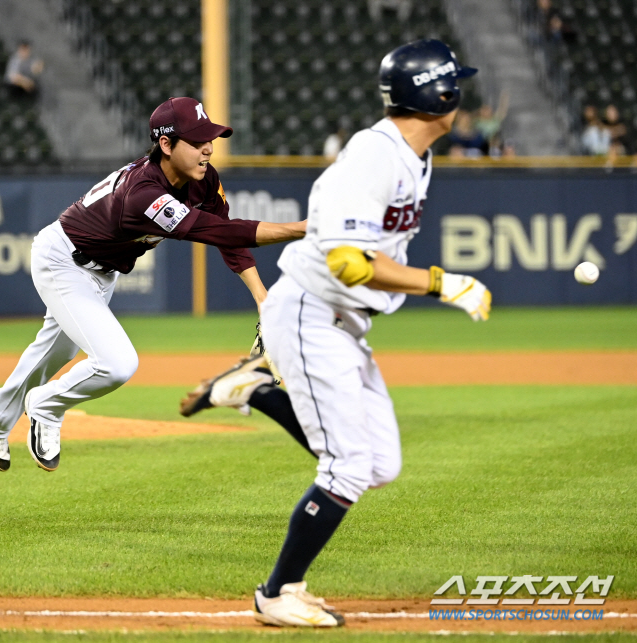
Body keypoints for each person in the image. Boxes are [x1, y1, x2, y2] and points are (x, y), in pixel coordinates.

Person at [180, 40, 491, 628]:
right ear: (439, 95)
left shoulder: (413, 155)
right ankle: (278, 593)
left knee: (381, 466)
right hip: (311, 311)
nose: (462, 95)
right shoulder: (376, 156)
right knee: (346, 467)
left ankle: (254, 390)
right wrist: (442, 283)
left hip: (343, 320)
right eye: (456, 85)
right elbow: (350, 262)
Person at [0, 97, 306, 473]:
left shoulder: (203, 179)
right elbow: (217, 231)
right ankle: (46, 405)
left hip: (102, 271)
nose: (208, 148)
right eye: (197, 141)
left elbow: (230, 238)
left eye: (210, 137)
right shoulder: (144, 192)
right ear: (166, 145)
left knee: (55, 353)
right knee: (116, 363)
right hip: (63, 259)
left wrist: (262, 297)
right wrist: (301, 229)